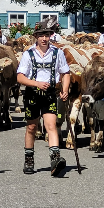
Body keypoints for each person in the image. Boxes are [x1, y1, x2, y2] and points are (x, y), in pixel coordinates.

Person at [17, 21, 70, 176]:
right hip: (32, 94)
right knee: (32, 127)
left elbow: (65, 73)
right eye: (41, 35)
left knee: (51, 125)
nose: (44, 39)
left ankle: (55, 159)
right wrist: (36, 83)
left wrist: (65, 89)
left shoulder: (57, 52)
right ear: (36, 37)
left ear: (50, 36)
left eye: (47, 35)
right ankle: (29, 159)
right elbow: (20, 77)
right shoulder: (29, 54)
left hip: (50, 94)